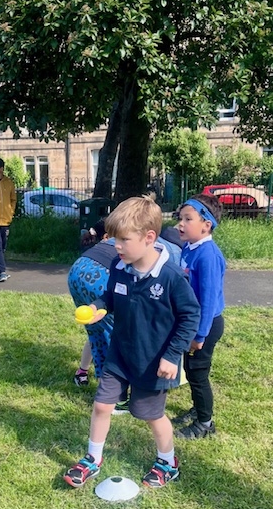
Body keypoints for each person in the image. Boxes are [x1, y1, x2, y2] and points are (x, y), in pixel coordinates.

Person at [63, 197, 200, 489]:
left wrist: (172, 355)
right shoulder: (119, 266)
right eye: (114, 239)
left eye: (124, 239)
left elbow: (190, 316)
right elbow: (111, 297)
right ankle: (92, 459)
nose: (117, 246)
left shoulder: (171, 276)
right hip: (119, 355)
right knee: (102, 405)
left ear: (149, 238)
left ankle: (168, 462)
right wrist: (99, 307)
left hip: (154, 360)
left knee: (149, 414)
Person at [172, 193, 225, 439]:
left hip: (206, 325)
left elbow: (208, 300)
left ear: (206, 225)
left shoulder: (208, 255)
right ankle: (198, 408)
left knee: (197, 372)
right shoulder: (190, 247)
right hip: (191, 322)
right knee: (191, 369)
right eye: (180, 218)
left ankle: (205, 423)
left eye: (188, 219)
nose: (180, 224)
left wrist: (200, 335)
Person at [68, 219, 116, 387]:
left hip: (77, 271)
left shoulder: (103, 243)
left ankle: (82, 372)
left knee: (95, 329)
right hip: (99, 278)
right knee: (112, 334)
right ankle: (108, 389)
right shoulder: (134, 240)